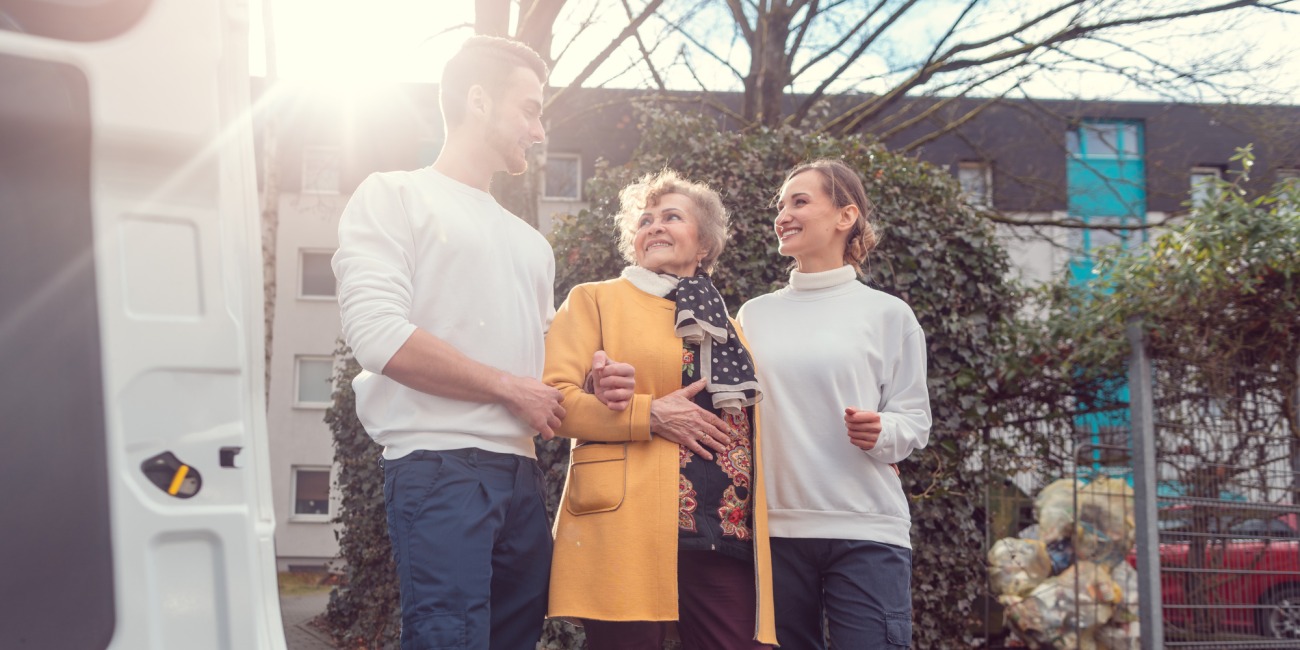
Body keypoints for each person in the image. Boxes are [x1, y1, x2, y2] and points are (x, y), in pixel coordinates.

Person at [331, 36, 630, 650]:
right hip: (438, 468)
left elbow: (539, 358)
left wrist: (586, 373)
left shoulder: (531, 244)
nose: (539, 130)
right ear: (477, 101)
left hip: (522, 477)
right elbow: (378, 336)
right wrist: (505, 386)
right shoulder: (393, 196)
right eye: (529, 109)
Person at [542, 170, 779, 650]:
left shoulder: (732, 328)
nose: (654, 226)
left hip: (725, 531)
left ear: (704, 245)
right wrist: (647, 414)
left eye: (672, 217)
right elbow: (554, 403)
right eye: (645, 220)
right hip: (626, 523)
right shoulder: (595, 299)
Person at [737, 159, 932, 650]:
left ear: (846, 216)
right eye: (780, 205)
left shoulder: (889, 315)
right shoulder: (753, 316)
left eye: (799, 202)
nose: (783, 214)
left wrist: (883, 431)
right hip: (774, 530)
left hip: (866, 528)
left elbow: (914, 420)